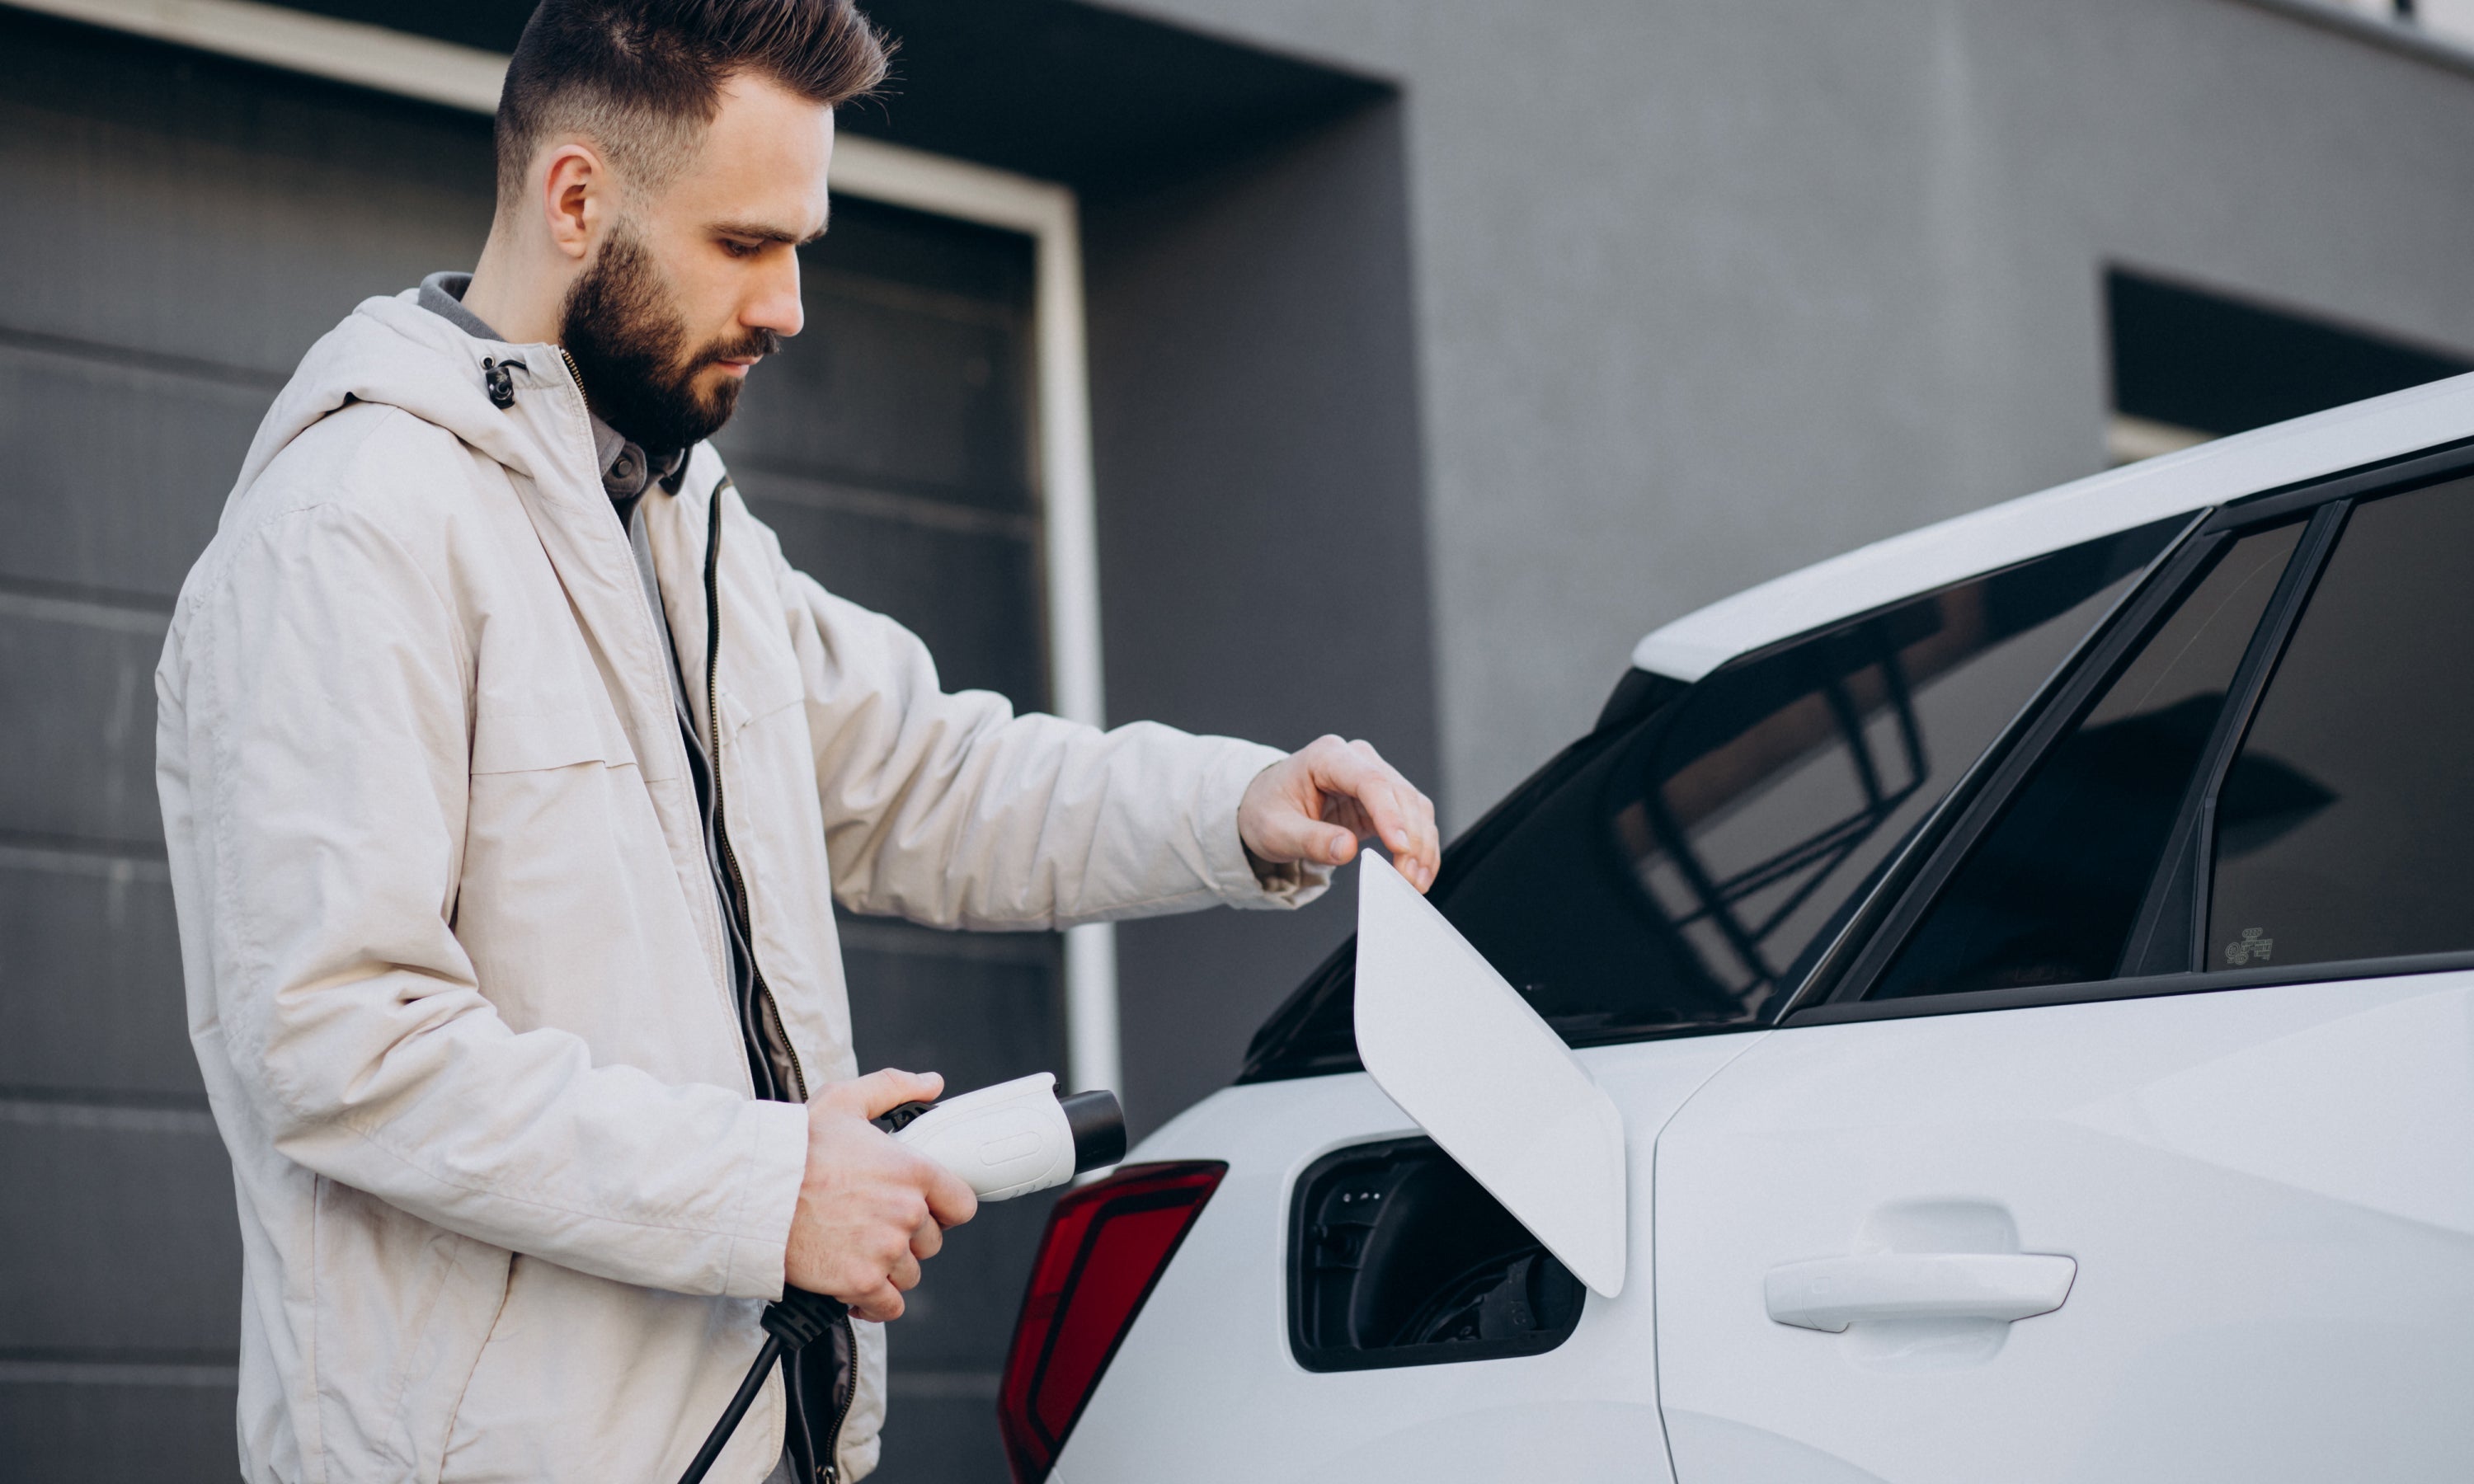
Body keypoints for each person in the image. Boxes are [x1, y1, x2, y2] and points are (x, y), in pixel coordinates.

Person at [151, 2, 1440, 1480]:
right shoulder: (350, 529)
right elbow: (338, 1039)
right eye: (747, 244)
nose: (791, 306)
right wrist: (772, 1188)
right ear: (579, 199)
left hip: (759, 1440)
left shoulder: (683, 524)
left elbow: (929, 777)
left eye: (802, 247)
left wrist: (1239, 806)